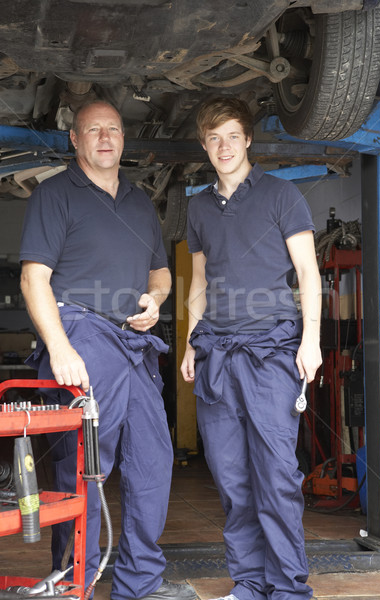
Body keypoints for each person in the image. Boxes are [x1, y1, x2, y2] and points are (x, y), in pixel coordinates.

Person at [20, 100, 197, 600]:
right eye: (93, 129)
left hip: (134, 342)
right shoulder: (55, 195)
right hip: (81, 334)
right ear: (74, 140)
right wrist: (59, 347)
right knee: (81, 466)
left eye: (113, 129)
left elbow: (159, 271)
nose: (105, 137)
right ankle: (76, 579)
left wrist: (155, 299)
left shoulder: (140, 202)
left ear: (124, 139)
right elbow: (34, 278)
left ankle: (139, 583)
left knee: (153, 460)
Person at [181, 97, 322, 600]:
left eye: (233, 136)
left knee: (277, 476)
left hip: (272, 352)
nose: (224, 146)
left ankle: (287, 589)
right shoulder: (197, 205)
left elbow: (308, 273)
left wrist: (312, 341)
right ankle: (248, 584)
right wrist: (191, 343)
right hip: (217, 353)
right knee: (232, 478)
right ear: (204, 145)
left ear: (247, 141)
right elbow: (198, 280)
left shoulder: (282, 195)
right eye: (214, 138)